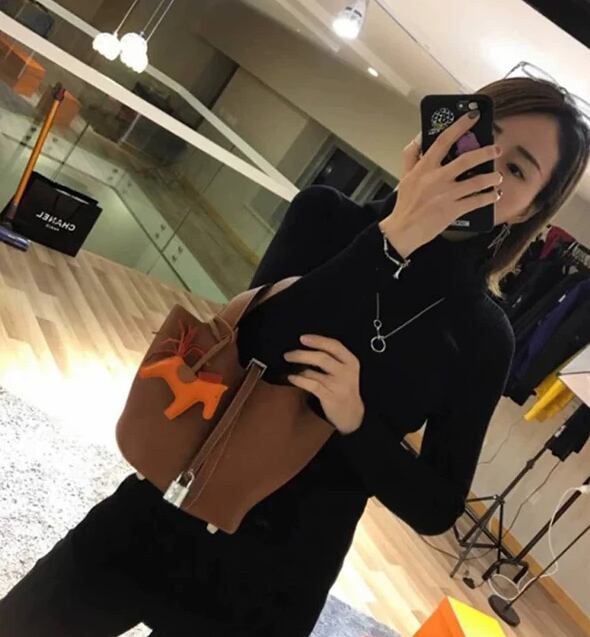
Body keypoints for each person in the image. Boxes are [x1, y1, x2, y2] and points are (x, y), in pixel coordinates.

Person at [1, 77, 588, 637]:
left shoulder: (483, 335)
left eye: (517, 169)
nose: (485, 164)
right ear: (442, 133)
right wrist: (394, 240)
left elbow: (437, 506)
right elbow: (257, 345)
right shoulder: (325, 217)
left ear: (527, 210)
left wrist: (356, 422)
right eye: (482, 137)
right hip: (167, 505)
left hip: (272, 586)